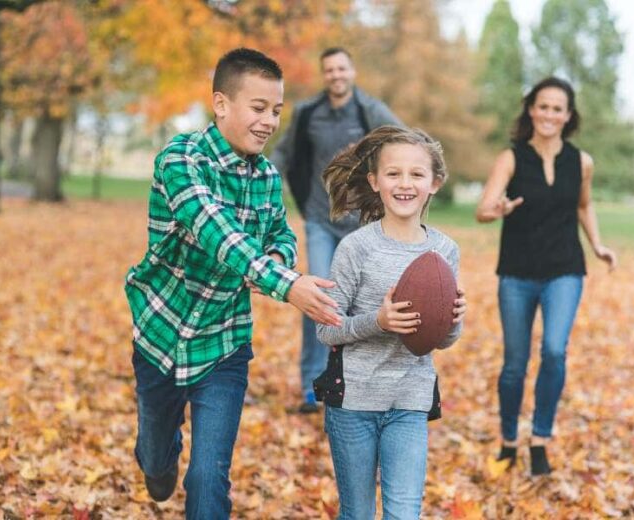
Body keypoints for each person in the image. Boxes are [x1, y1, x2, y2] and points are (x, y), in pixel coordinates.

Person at [123, 48, 342, 518]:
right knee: (159, 465)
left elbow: (279, 232)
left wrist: (278, 259)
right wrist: (286, 283)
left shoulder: (265, 174)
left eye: (277, 111)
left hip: (224, 342)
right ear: (221, 104)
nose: (269, 121)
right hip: (162, 332)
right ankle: (157, 459)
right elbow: (214, 229)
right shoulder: (181, 159)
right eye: (258, 108)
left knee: (208, 477)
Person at [314, 126, 467, 517]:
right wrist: (378, 321)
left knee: (404, 513)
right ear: (375, 181)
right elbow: (326, 327)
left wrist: (453, 321)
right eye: (393, 173)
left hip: (409, 401)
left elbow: (441, 339)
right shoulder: (356, 247)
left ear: (434, 183)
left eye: (416, 174)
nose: (405, 183)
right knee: (358, 513)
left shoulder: (444, 250)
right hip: (353, 402)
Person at [475, 77, 617, 475]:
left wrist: (598, 245)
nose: (550, 114)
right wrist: (497, 209)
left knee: (554, 351)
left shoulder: (581, 161)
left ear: (568, 116)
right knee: (515, 365)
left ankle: (539, 440)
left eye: (558, 108)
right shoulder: (512, 157)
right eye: (543, 106)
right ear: (531, 110)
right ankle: (508, 441)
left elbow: (584, 206)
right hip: (517, 273)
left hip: (565, 270)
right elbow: (482, 209)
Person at [271, 47, 401, 413]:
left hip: (361, 224)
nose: (336, 75)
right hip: (320, 218)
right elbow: (284, 153)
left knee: (368, 299)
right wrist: (260, 177)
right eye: (329, 70)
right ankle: (313, 385)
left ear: (352, 70)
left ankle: (360, 380)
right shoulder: (308, 112)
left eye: (342, 68)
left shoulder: (369, 110)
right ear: (323, 74)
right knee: (319, 297)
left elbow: (405, 140)